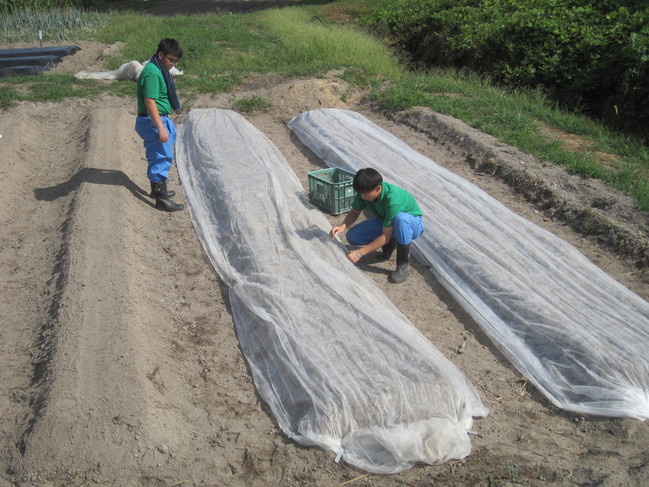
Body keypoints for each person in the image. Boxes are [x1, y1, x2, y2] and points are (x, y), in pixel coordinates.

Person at [329, 168, 424, 284]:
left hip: (412, 224)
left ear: (378, 188)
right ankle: (387, 250)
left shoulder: (393, 200)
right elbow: (354, 212)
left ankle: (402, 266)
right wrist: (343, 226)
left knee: (400, 220)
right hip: (386, 220)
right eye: (360, 193)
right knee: (353, 236)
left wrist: (359, 253)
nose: (362, 197)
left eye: (365, 194)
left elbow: (385, 236)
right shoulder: (364, 191)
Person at [135, 38, 184, 212]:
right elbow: (149, 101)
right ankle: (161, 200)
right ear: (160, 55)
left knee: (161, 154)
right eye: (170, 60)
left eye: (175, 61)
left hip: (158, 119)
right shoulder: (153, 73)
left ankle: (158, 191)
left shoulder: (157, 68)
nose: (172, 64)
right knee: (161, 156)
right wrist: (161, 127)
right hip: (154, 121)